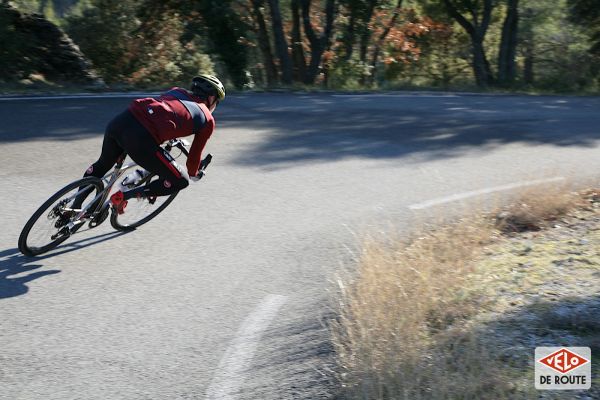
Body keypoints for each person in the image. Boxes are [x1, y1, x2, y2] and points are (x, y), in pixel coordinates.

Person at [79, 74, 225, 214]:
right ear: (211, 98)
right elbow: (194, 157)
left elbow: (163, 114)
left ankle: (72, 208)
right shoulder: (208, 119)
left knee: (102, 165)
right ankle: (123, 196)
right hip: (140, 138)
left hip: (123, 120)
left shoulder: (176, 91)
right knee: (181, 181)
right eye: (217, 102)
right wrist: (194, 174)